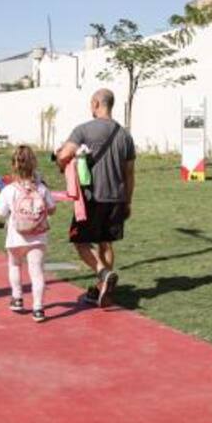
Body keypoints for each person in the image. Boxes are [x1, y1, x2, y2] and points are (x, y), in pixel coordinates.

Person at [55, 88, 136, 307]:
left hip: (91, 198)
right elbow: (129, 173)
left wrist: (60, 159)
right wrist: (128, 201)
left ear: (96, 104)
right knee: (106, 243)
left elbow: (64, 155)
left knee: (80, 242)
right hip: (116, 198)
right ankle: (103, 290)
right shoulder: (125, 135)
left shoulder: (83, 130)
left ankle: (102, 273)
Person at [0, 145, 56, 323]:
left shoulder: (9, 190)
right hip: (38, 237)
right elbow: (52, 210)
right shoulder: (41, 188)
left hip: (16, 237)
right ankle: (38, 308)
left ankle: (17, 297)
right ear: (33, 164)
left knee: (14, 266)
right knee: (37, 272)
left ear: (14, 165)